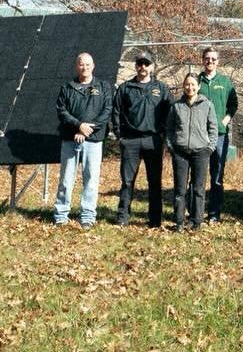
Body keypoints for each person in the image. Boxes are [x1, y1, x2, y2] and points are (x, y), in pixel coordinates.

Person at [53, 52, 113, 228]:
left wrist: (87, 130)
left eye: (87, 64)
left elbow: (106, 110)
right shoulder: (68, 87)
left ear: (93, 66)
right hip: (70, 140)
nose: (84, 67)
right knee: (65, 180)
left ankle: (87, 215)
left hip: (93, 141)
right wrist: (78, 126)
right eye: (81, 64)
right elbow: (62, 111)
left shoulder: (103, 87)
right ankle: (61, 215)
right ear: (76, 66)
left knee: (91, 180)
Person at [113, 52, 171, 227]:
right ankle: (123, 217)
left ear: (152, 66)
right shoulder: (125, 88)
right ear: (136, 65)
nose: (143, 67)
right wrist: (119, 135)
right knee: (127, 181)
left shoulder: (161, 88)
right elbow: (116, 112)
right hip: (130, 141)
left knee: (154, 181)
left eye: (146, 63)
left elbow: (169, 113)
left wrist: (163, 135)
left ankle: (155, 220)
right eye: (140, 63)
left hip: (153, 141)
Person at [166, 72, 217, 231]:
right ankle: (179, 221)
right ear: (183, 86)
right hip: (180, 152)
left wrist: (210, 148)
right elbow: (169, 129)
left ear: (199, 86)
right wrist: (171, 148)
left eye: (193, 84)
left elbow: (213, 129)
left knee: (198, 188)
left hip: (201, 151)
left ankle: (196, 221)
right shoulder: (176, 106)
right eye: (187, 84)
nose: (190, 87)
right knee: (180, 189)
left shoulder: (207, 104)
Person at [197, 47, 239, 223]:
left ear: (218, 61)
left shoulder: (225, 81)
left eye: (213, 59)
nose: (210, 62)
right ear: (202, 60)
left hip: (220, 136)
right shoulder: (196, 81)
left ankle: (214, 214)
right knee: (197, 176)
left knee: (217, 176)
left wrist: (226, 119)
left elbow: (233, 104)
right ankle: (195, 212)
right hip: (199, 135)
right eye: (207, 58)